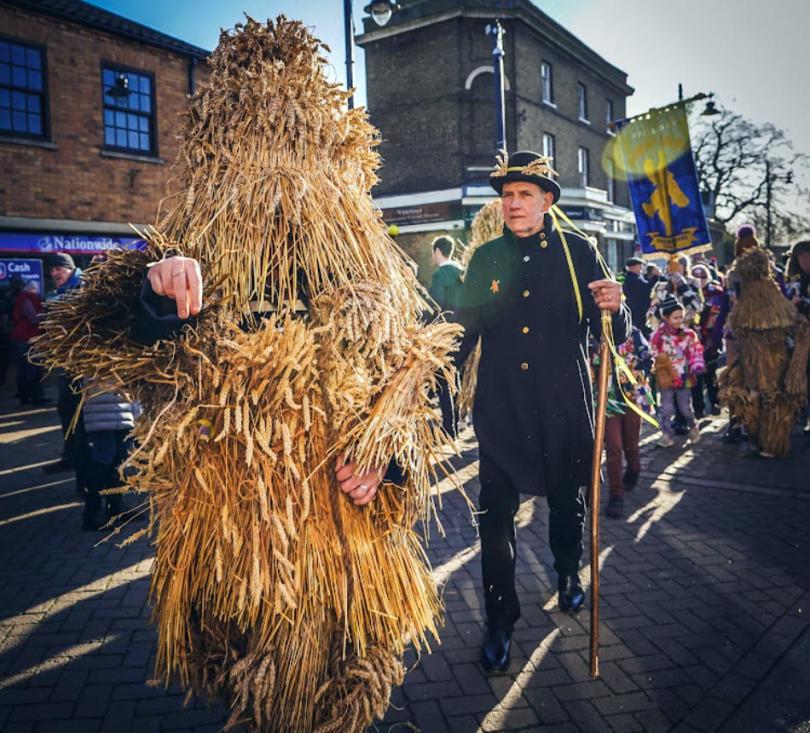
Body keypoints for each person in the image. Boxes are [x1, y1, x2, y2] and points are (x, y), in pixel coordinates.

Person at [453, 150, 628, 672]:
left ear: (547, 201)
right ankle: (499, 621)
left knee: (566, 501)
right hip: (501, 410)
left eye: (524, 194)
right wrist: (426, 370)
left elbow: (613, 331)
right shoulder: (485, 259)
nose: (512, 203)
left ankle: (569, 572)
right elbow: (463, 331)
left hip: (562, 405)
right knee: (495, 519)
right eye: (507, 195)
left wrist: (618, 309)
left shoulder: (580, 251)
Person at [593, 326, 655, 519]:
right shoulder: (594, 337)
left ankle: (634, 471)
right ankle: (616, 495)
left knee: (632, 447)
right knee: (613, 448)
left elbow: (648, 358)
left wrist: (638, 377)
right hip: (608, 402)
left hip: (632, 401)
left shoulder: (633, 334)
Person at [43, 253, 84, 474]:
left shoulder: (82, 285)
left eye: (58, 268)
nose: (54, 273)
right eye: (51, 270)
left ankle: (82, 463)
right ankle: (72, 456)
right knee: (66, 408)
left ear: (69, 267)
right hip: (67, 361)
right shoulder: (60, 291)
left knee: (80, 413)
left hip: (82, 364)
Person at [80, 383, 141, 530]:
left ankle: (115, 508)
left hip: (122, 414)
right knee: (101, 462)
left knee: (119, 462)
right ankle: (92, 513)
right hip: (104, 414)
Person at [650, 296, 704, 448]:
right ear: (665, 318)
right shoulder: (658, 337)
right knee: (666, 408)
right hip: (666, 377)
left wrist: (697, 364)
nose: (679, 320)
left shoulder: (688, 335)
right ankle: (666, 435)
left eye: (681, 317)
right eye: (675, 317)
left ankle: (693, 426)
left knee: (685, 407)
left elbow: (696, 351)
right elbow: (652, 352)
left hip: (683, 376)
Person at [428, 235, 465, 438]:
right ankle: (456, 422)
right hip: (462, 332)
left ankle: (449, 428)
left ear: (437, 251)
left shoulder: (440, 275)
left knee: (443, 379)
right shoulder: (462, 272)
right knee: (455, 375)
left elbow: (435, 306)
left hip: (444, 334)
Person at [691, 264, 728, 418]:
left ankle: (714, 402)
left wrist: (711, 338)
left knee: (710, 372)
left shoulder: (715, 292)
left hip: (710, 338)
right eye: (696, 278)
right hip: (691, 340)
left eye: (703, 277)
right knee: (694, 376)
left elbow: (718, 314)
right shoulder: (689, 291)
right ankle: (698, 408)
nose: (700, 281)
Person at [9, 280, 46, 405]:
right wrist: (47, 314)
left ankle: (27, 398)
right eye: (34, 289)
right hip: (26, 339)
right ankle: (34, 398)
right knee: (31, 369)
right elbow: (34, 319)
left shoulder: (23, 299)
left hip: (22, 338)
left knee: (25, 370)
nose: (36, 291)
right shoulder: (26, 300)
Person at [622, 256, 655, 334]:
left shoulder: (637, 277)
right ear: (633, 267)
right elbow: (646, 288)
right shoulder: (631, 278)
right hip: (637, 308)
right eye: (639, 266)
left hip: (640, 308)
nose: (641, 268)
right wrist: (655, 278)